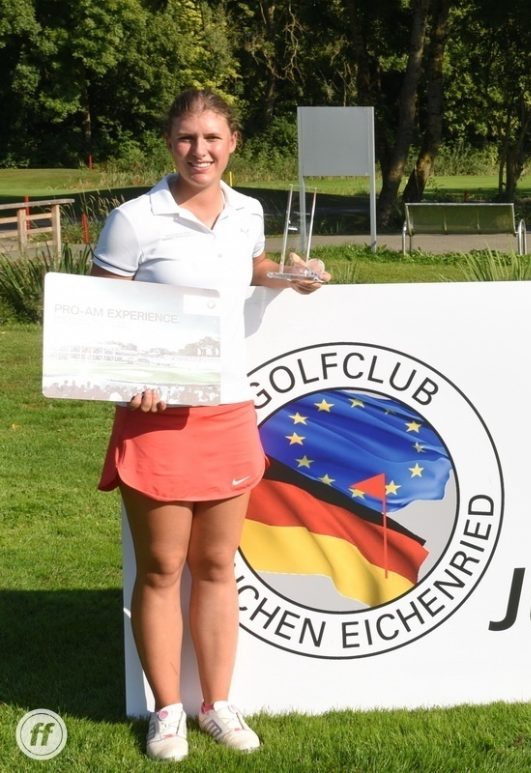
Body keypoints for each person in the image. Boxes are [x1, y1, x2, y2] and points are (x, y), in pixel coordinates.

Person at [91, 88, 330, 761]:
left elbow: (249, 267)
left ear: (234, 143)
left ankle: (216, 703)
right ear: (170, 141)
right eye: (188, 137)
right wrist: (124, 374)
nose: (201, 150)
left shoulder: (249, 210)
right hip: (158, 414)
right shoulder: (134, 219)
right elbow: (99, 312)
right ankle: (167, 710)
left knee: (217, 563)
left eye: (213, 138)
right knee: (164, 565)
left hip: (227, 408)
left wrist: (290, 275)